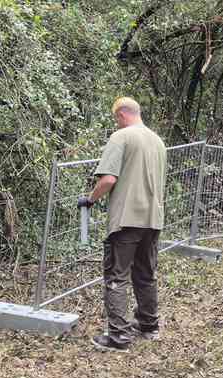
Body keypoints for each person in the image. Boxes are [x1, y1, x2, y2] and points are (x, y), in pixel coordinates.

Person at [77, 97, 167, 352]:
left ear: (121, 115)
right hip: (153, 219)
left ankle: (118, 338)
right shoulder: (158, 141)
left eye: (116, 119)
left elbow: (107, 179)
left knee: (116, 277)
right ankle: (148, 326)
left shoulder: (122, 137)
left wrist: (90, 199)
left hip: (127, 218)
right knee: (146, 275)